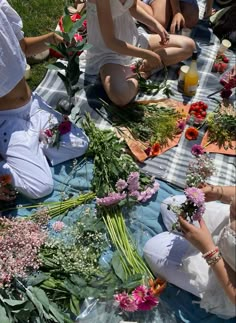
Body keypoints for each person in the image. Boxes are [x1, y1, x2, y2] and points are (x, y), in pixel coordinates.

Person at [0, 0, 89, 200]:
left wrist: (51, 39)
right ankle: (14, 155)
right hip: (7, 122)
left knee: (80, 143)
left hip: (32, 106)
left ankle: (31, 148)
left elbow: (21, 48)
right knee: (40, 187)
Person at [143, 184, 236, 319]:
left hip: (225, 276)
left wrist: (208, 249)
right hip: (224, 223)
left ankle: (196, 248)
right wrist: (219, 193)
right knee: (169, 204)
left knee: (152, 248)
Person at [83, 0, 195, 107]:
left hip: (131, 37)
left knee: (188, 46)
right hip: (108, 51)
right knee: (120, 97)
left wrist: (156, 25)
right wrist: (146, 54)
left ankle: (142, 65)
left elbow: (133, 7)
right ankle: (143, 73)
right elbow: (111, 42)